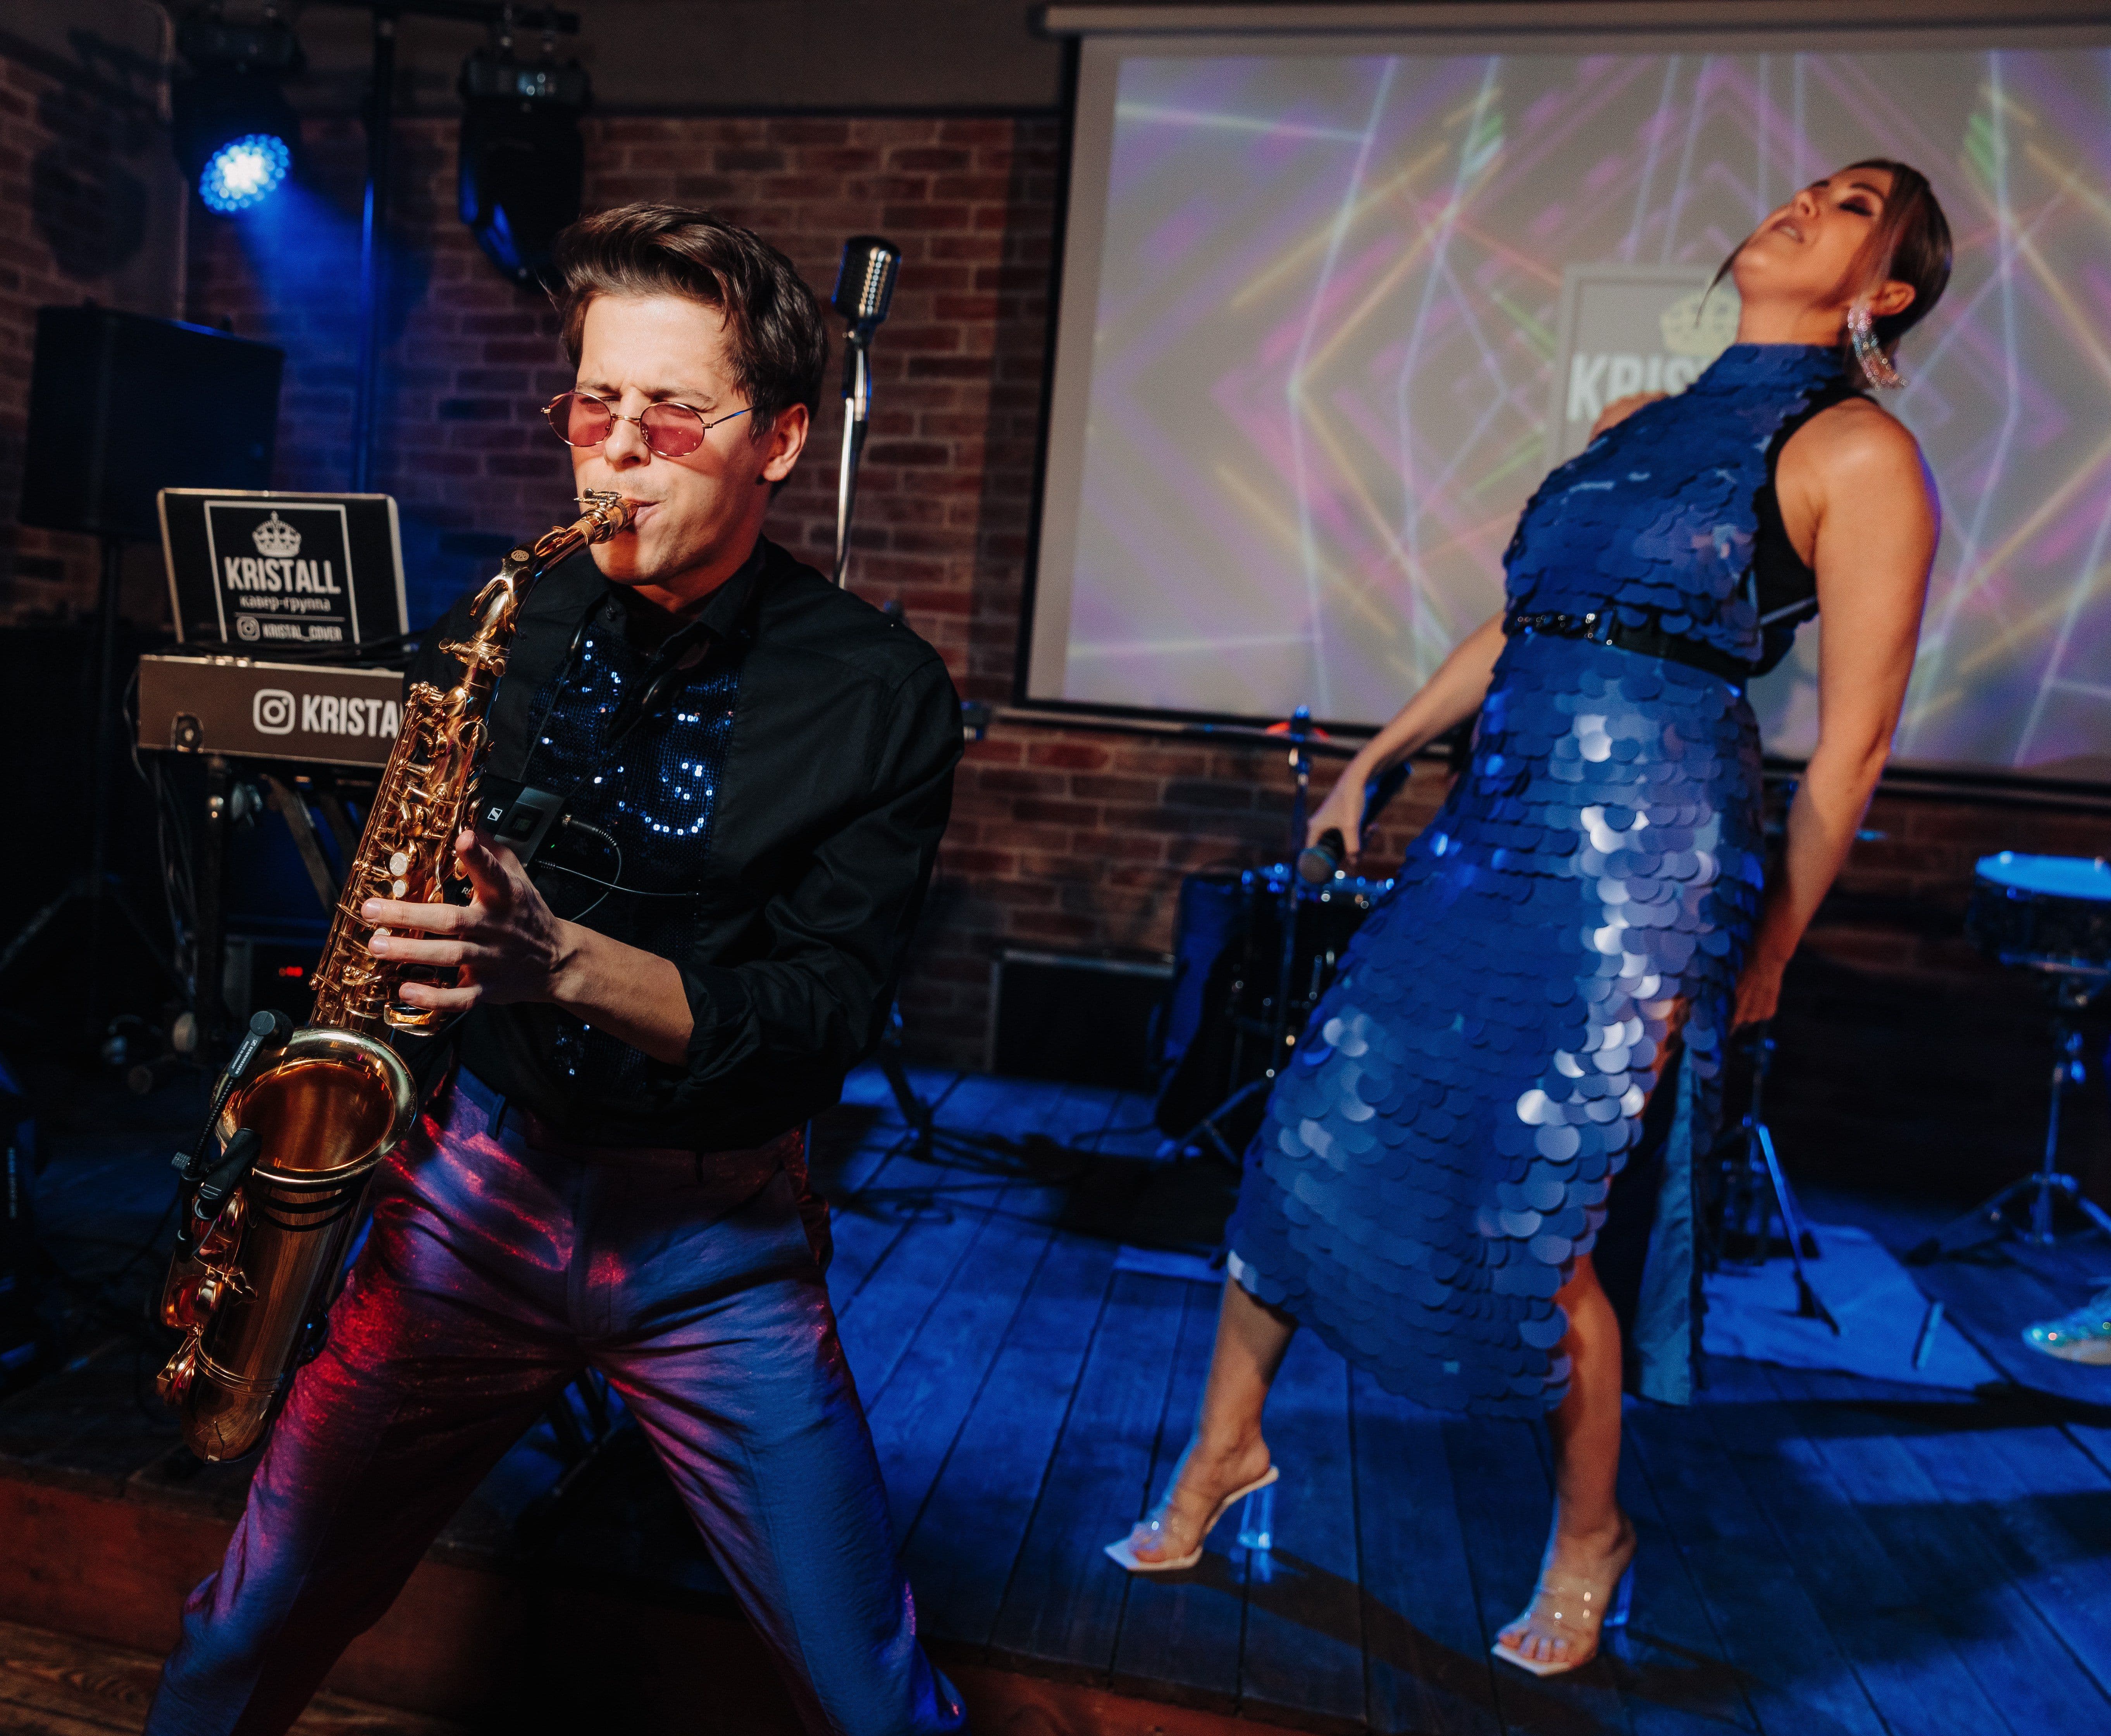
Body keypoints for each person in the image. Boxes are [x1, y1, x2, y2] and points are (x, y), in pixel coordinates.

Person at [1106, 162, 1952, 1678]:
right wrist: (1374, 759)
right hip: (1492, 834)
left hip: (1646, 873)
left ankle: (1589, 1534)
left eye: (1850, 207)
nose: (1802, 202)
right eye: (1809, 185)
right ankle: (1225, 1450)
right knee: (1312, 1128)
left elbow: (1855, 747)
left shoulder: (1859, 451)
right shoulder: (1634, 425)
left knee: (1536, 1211)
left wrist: (1768, 948)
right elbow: (1523, 624)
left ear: (1885, 291)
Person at [147, 205, 967, 1735]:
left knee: (873, 1694)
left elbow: (817, 1024)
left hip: (712, 1246)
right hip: (473, 1200)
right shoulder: (502, 628)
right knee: (243, 1627)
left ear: (783, 440)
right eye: (596, 407)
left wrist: (562, 959)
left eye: (673, 416)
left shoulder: (879, 693)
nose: (617, 457)